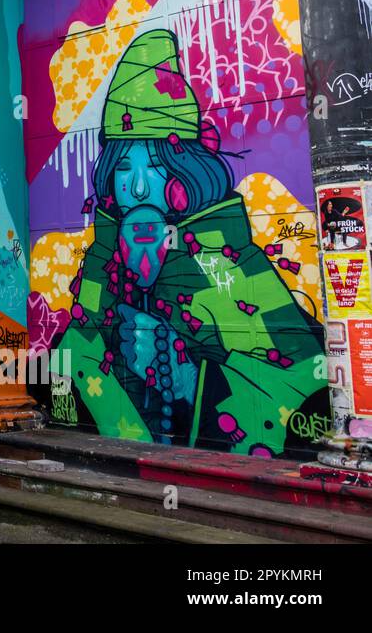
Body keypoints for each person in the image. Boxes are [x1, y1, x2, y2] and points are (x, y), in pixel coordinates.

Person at [52, 30, 324, 456]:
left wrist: (189, 379)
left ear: (185, 171)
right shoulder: (100, 265)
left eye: (156, 165)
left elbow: (307, 383)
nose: (138, 187)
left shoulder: (233, 262)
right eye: (124, 168)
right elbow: (73, 359)